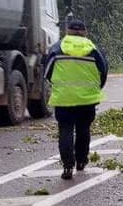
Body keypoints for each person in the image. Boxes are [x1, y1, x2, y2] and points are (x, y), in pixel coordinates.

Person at [44, 18, 109, 180]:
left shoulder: (57, 48)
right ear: (85, 32)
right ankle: (81, 161)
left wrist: (58, 86)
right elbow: (104, 71)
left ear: (68, 31)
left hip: (63, 99)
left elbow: (47, 73)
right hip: (87, 99)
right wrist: (95, 88)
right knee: (83, 130)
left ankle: (67, 166)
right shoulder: (93, 49)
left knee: (65, 130)